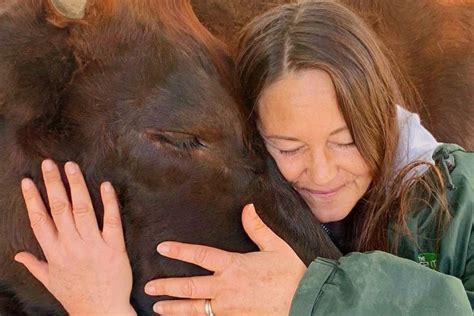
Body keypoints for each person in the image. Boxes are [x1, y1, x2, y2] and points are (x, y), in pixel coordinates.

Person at [15, 1, 473, 315]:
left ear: (379, 112)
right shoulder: (259, 214)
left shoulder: (462, 201)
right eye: (288, 147)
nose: (322, 172)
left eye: (347, 140)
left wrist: (311, 296)